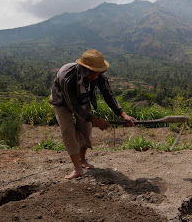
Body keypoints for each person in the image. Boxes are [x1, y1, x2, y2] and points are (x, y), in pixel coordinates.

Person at [50, 49, 136, 179]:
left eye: (98, 73)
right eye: (92, 74)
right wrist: (95, 119)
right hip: (62, 102)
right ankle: (77, 169)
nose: (95, 77)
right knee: (68, 131)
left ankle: (83, 160)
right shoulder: (67, 77)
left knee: (85, 129)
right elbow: (72, 105)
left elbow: (109, 95)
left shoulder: (99, 76)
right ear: (84, 70)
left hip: (82, 100)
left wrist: (122, 114)